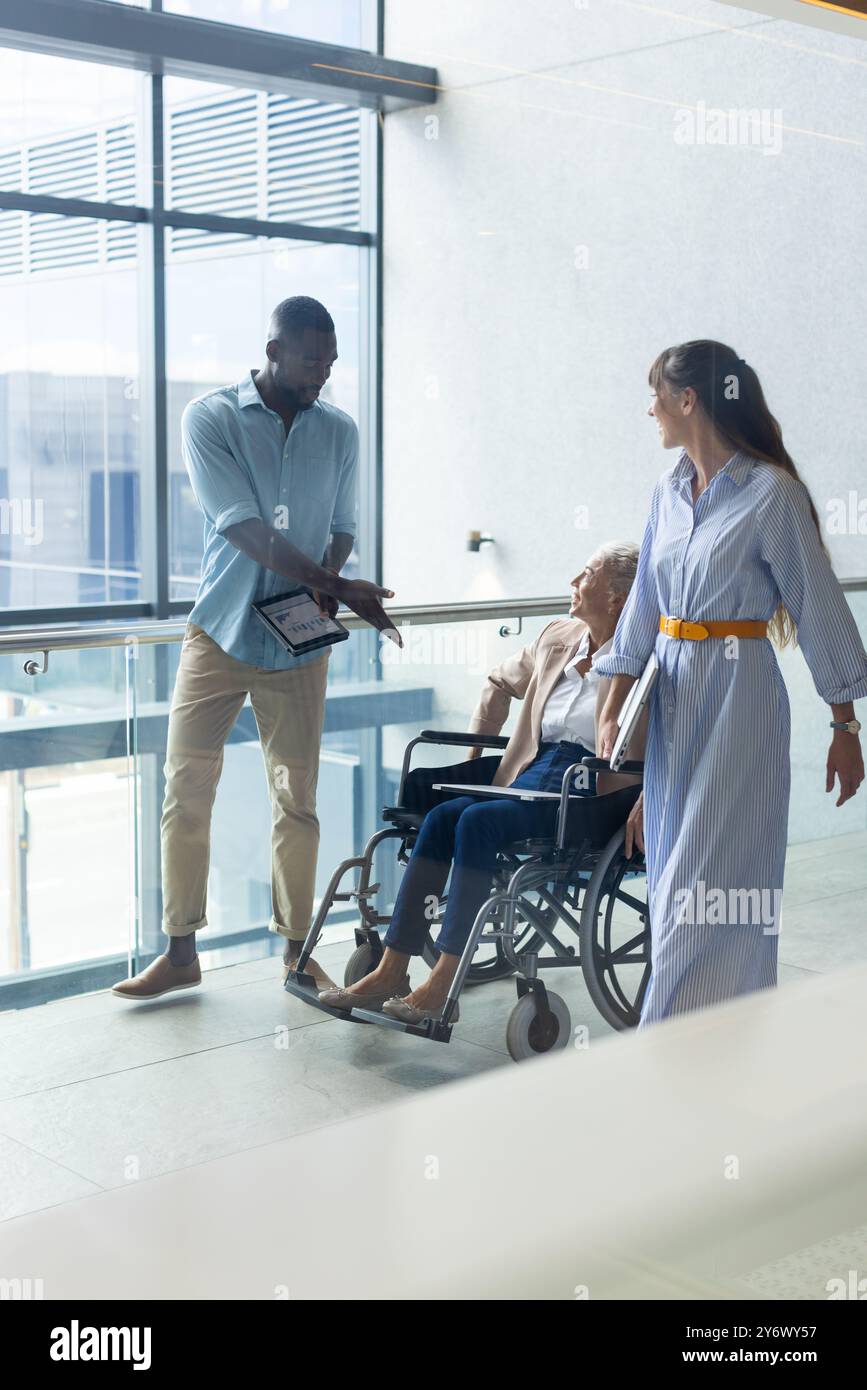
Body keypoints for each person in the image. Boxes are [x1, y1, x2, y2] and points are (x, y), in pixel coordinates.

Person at [113, 296, 399, 1001]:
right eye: (310, 361)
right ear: (272, 351)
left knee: (296, 800)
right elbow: (240, 524)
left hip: (298, 642)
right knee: (186, 792)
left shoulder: (340, 431)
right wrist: (334, 582)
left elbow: (341, 523)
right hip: (220, 631)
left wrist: (326, 590)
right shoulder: (209, 418)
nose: (322, 375)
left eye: (331, 363)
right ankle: (181, 952)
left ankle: (296, 956)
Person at [593, 339, 866, 1027]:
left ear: (688, 400)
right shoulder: (666, 493)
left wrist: (844, 727)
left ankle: (661, 1051)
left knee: (709, 883)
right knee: (673, 887)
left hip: (738, 698)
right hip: (674, 695)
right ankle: (729, 1038)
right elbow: (642, 608)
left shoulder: (770, 494)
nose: (647, 406)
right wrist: (616, 697)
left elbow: (814, 605)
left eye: (655, 392)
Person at [319, 543, 646, 1022]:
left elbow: (676, 738)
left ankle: (443, 985)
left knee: (477, 822)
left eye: (588, 573)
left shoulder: (648, 656)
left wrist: (649, 799)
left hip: (592, 790)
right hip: (533, 772)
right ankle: (392, 969)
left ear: (617, 598)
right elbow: (498, 682)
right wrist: (479, 756)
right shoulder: (559, 636)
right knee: (444, 815)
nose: (574, 581)